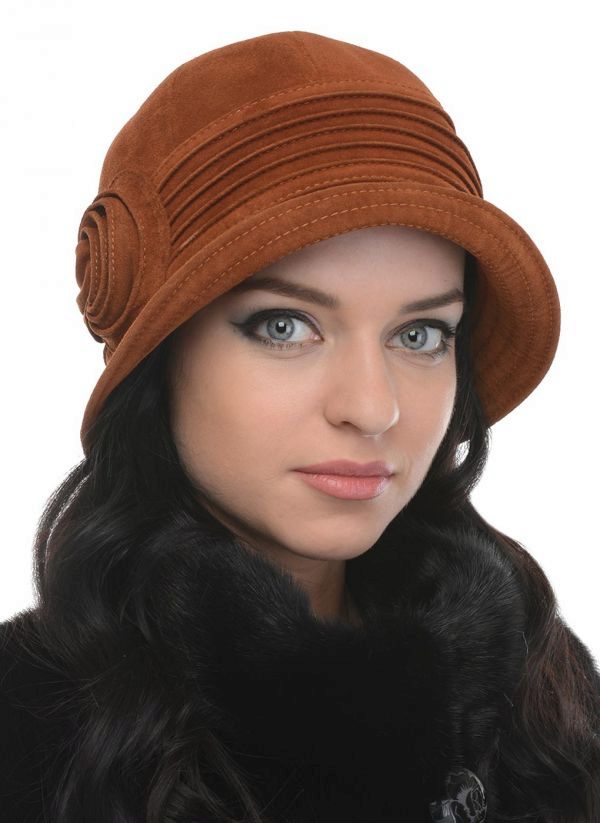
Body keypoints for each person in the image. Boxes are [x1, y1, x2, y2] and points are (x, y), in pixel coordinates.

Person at [0, 29, 598, 823]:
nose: (373, 407)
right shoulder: (27, 727)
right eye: (285, 326)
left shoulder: (542, 690)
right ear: (162, 357)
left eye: (421, 333)